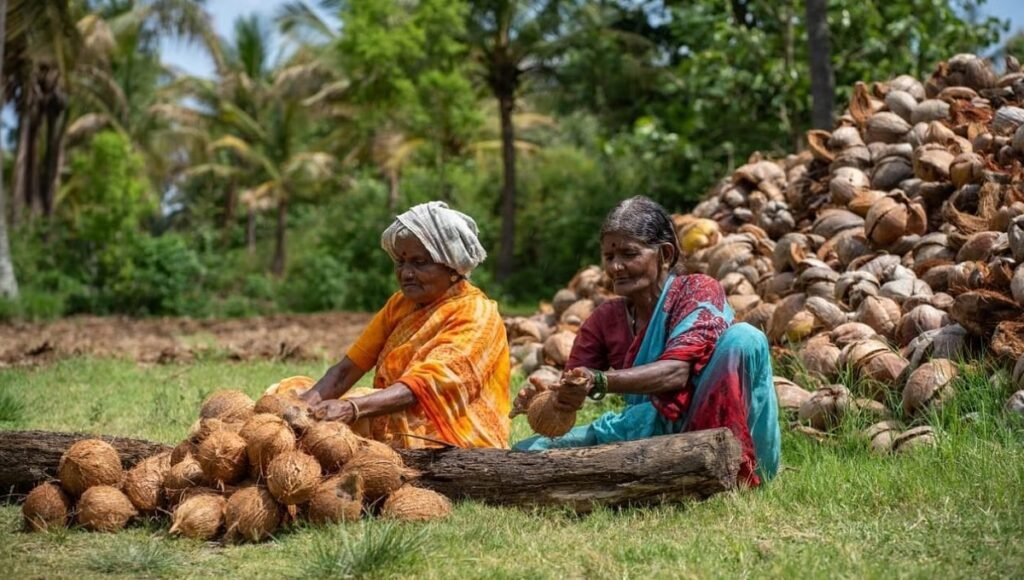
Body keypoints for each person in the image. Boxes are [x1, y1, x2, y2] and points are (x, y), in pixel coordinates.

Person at [511, 196, 780, 485]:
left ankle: (732, 471)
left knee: (744, 338)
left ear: (665, 254)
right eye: (609, 257)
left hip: (714, 430)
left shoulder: (697, 291)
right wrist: (548, 401)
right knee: (527, 452)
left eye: (629, 254)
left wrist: (600, 380)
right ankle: (670, 470)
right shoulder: (605, 320)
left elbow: (676, 373)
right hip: (648, 430)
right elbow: (575, 388)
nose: (616, 267)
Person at [292, 201, 511, 449]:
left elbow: (423, 387)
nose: (406, 273)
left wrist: (351, 408)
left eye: (419, 263)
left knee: (339, 423)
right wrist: (302, 407)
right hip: (395, 418)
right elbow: (347, 369)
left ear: (453, 267)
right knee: (289, 392)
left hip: (453, 437)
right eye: (401, 262)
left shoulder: (476, 314)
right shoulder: (400, 304)